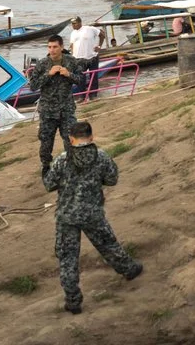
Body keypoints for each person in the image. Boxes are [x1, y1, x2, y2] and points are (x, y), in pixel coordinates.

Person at [43, 121, 143, 314]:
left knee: (68, 258)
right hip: (93, 213)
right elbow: (112, 179)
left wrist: (47, 171)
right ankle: (129, 269)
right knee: (108, 244)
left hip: (67, 215)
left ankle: (73, 301)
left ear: (71, 139)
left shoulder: (62, 159)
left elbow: (49, 184)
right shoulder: (101, 156)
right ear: (91, 137)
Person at [27, 36, 81, 175]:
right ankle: (46, 166)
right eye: (49, 47)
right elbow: (33, 86)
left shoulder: (71, 61)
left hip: (66, 109)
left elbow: (82, 80)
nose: (52, 50)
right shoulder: (42, 64)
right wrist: (48, 74)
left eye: (55, 47)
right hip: (47, 111)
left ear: (62, 47)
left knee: (70, 139)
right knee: (46, 141)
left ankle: (71, 165)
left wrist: (69, 74)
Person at [67, 16, 102, 96]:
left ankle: (93, 95)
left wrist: (99, 46)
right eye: (72, 24)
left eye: (74, 23)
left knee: (93, 77)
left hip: (92, 57)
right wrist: (72, 55)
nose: (73, 25)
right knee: (80, 78)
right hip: (79, 59)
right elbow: (72, 45)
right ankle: (82, 96)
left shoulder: (89, 29)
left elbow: (102, 34)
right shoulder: (73, 33)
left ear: (80, 22)